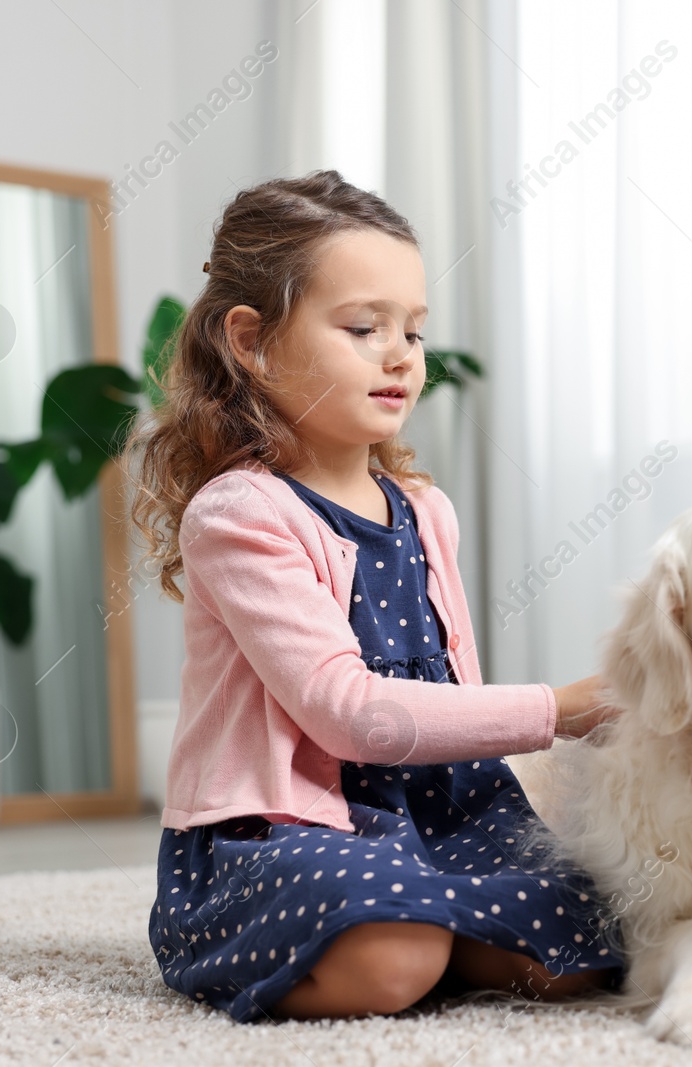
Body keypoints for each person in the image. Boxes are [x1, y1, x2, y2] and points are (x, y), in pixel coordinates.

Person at [126, 170, 624, 1024]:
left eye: (414, 331)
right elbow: (350, 714)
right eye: (364, 328)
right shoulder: (242, 512)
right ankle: (397, 934)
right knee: (393, 959)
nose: (401, 355)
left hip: (439, 808)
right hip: (289, 826)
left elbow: (454, 686)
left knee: (595, 941)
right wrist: (562, 707)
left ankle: (436, 922)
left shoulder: (427, 511)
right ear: (250, 341)